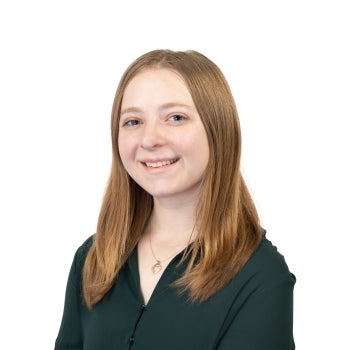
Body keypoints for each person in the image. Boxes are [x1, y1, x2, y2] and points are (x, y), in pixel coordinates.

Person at [55, 49, 296, 349]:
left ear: (218, 129)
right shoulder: (93, 259)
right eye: (133, 121)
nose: (150, 138)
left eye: (176, 117)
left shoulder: (260, 277)